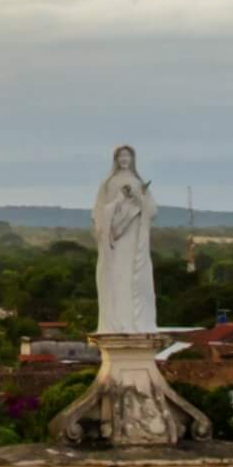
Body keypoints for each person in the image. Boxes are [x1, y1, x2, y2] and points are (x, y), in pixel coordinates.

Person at [92, 143, 158, 336]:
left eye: (127, 156)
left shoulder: (138, 180)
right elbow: (100, 211)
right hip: (116, 239)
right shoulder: (108, 183)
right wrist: (119, 200)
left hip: (135, 236)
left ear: (132, 159)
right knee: (117, 277)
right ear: (116, 159)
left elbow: (152, 209)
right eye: (121, 156)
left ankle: (137, 321)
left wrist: (139, 198)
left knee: (134, 278)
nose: (124, 159)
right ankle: (117, 321)